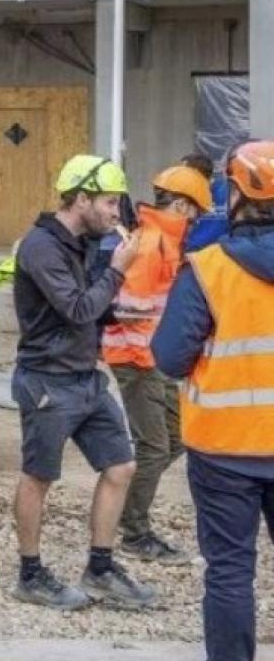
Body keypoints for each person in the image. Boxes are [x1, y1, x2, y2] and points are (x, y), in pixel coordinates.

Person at [156, 141, 274, 661]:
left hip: (226, 448)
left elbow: (170, 357)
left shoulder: (208, 268)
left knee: (231, 572)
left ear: (234, 196)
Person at [7, 155, 155, 611]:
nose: (117, 213)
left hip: (85, 376)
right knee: (39, 476)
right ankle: (30, 574)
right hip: (47, 379)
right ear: (82, 199)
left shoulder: (85, 242)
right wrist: (118, 270)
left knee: (120, 467)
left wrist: (122, 307)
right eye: (110, 203)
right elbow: (74, 309)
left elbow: (89, 308)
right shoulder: (41, 246)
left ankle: (101, 567)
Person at [100, 164, 212, 564]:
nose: (197, 218)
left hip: (151, 357)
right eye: (195, 210)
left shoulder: (163, 240)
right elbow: (127, 309)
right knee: (154, 446)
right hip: (137, 358)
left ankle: (122, 509)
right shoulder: (152, 245)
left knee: (177, 436)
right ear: (181, 204)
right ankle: (133, 530)